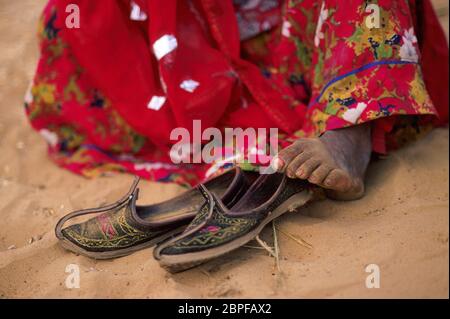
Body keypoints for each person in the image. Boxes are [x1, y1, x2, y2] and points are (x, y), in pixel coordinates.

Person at [26, 0, 448, 200]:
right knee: (73, 15)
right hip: (194, 46)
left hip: (303, 34)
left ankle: (349, 133)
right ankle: (227, 138)